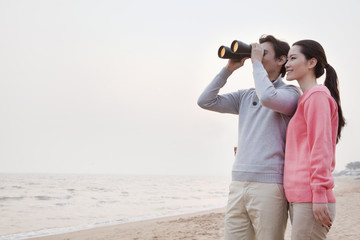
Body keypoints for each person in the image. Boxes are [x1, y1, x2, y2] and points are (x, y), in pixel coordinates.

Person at [197, 35, 301, 240]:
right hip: (238, 182)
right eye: (255, 52)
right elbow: (205, 101)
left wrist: (255, 64)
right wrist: (228, 69)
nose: (257, 56)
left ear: (282, 60)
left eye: (263, 53)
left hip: (269, 186)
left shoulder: (290, 93)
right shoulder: (246, 96)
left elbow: (268, 97)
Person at [284, 40, 345, 240]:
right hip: (301, 197)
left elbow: (321, 147)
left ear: (311, 63)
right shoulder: (306, 98)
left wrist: (319, 193)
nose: (287, 64)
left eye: (293, 58)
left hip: (311, 198)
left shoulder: (317, 96)